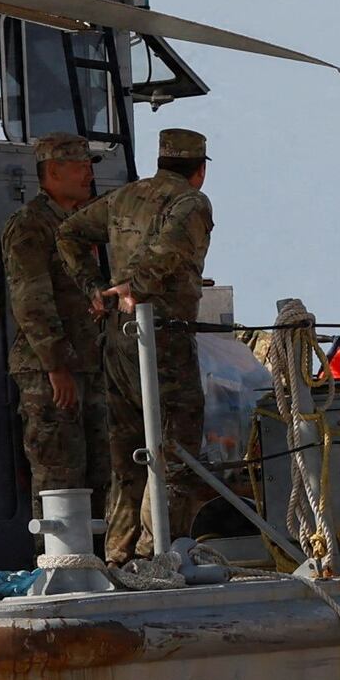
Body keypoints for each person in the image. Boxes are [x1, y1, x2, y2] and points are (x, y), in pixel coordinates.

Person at [0, 138, 106, 519]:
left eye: (89, 165)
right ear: (53, 172)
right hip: (50, 371)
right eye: (80, 165)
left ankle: (98, 563)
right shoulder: (31, 225)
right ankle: (58, 564)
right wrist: (56, 366)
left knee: (98, 472)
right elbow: (30, 300)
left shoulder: (78, 224)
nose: (89, 173)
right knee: (58, 472)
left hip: (88, 362)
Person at [66, 129, 214, 562]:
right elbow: (169, 251)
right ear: (199, 171)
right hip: (163, 336)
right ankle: (159, 553)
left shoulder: (125, 197)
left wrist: (96, 289)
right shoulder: (191, 202)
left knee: (126, 450)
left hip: (118, 337)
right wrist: (137, 287)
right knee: (176, 442)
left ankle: (120, 551)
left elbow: (69, 232)